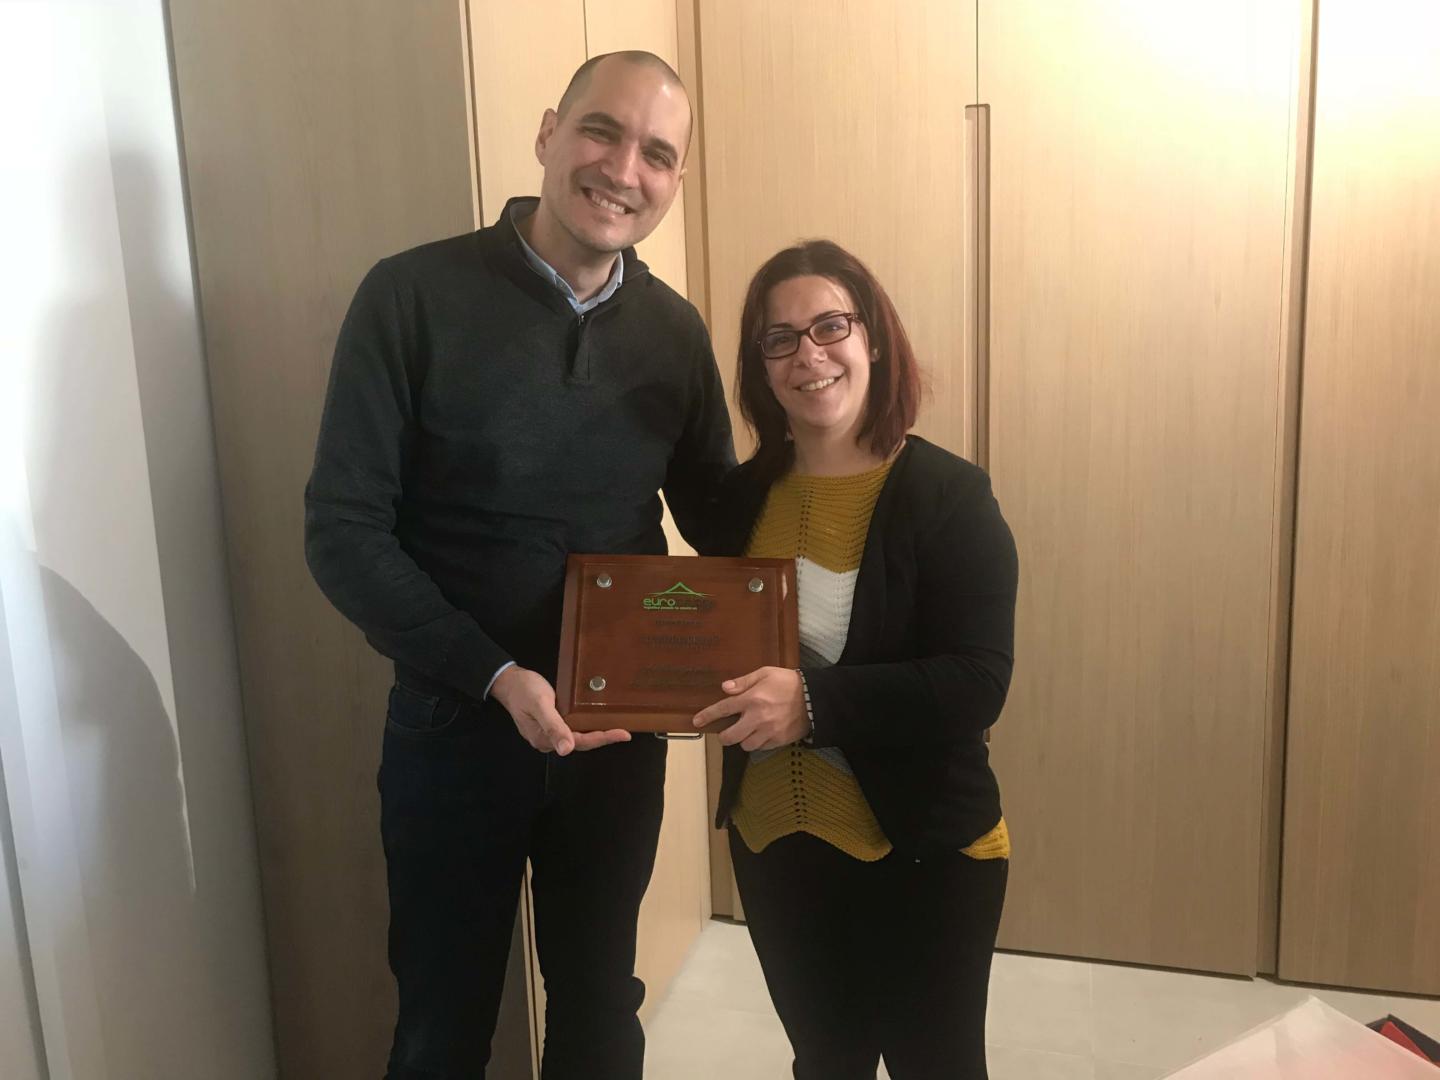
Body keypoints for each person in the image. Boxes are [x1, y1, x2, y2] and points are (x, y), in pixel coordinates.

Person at [304, 51, 734, 1080]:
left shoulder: (674, 333)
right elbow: (343, 531)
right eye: (601, 131)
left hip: (616, 734)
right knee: (443, 1022)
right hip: (453, 724)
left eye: (657, 154)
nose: (623, 170)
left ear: (675, 180)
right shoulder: (412, 295)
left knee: (601, 1005)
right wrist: (495, 674)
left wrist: (843, 443)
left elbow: (722, 517)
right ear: (548, 133)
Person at [693, 240, 1018, 1079]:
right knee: (825, 1063)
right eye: (779, 338)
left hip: (922, 848)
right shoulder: (739, 499)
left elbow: (978, 681)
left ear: (872, 336)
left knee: (934, 1067)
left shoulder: (948, 496)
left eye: (830, 326)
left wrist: (814, 704)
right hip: (773, 841)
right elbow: (706, 638)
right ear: (760, 366)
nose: (809, 355)